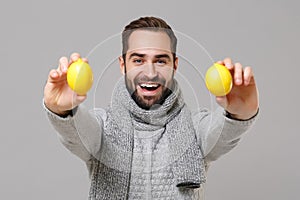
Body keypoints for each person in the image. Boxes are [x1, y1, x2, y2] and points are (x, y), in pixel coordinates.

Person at [44, 16, 259, 200]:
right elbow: (77, 134)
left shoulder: (195, 129)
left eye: (161, 61)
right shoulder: (102, 128)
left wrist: (239, 113)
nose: (150, 72)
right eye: (138, 60)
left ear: (174, 65)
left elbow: (222, 134)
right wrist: (61, 110)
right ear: (123, 65)